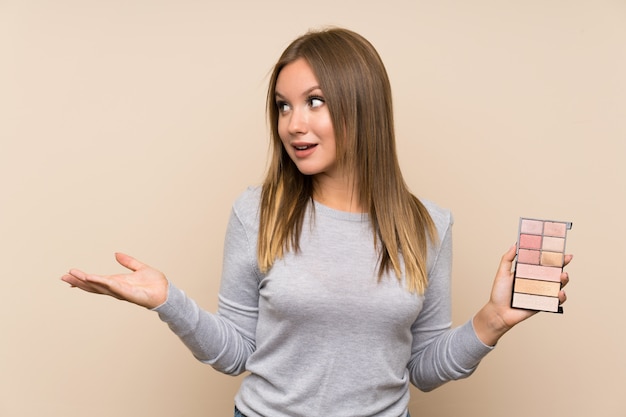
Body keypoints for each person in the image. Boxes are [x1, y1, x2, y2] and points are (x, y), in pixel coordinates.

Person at [61, 27, 572, 417]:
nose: (293, 124)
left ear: (362, 106)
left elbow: (422, 368)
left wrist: (492, 320)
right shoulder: (257, 212)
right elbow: (238, 353)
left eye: (314, 102)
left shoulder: (429, 227)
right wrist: (167, 301)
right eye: (283, 106)